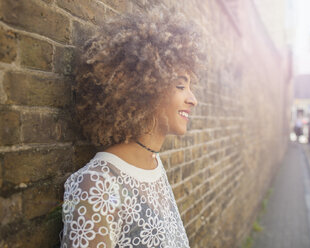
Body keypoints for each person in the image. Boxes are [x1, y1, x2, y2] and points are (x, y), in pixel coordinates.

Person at [60, 7, 204, 248]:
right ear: (146, 89)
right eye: (181, 86)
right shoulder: (97, 185)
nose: (193, 99)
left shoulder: (153, 164)